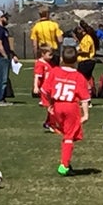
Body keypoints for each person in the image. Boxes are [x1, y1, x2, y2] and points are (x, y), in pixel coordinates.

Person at [40, 45, 90, 176]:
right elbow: (85, 98)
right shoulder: (79, 77)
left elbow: (44, 90)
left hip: (58, 106)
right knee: (69, 136)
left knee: (66, 134)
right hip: (71, 107)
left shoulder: (55, 72)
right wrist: (85, 114)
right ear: (76, 61)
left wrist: (49, 105)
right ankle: (64, 165)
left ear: (61, 59)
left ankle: (66, 162)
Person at [0, 9, 18, 106]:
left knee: (5, 79)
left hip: (5, 57)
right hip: (1, 57)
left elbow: (7, 45)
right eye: (5, 17)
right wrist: (4, 55)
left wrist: (13, 55)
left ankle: (2, 98)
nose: (7, 19)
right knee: (2, 79)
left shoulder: (4, 30)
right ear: (0, 18)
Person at [33, 44, 56, 131]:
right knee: (51, 107)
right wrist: (36, 86)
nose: (51, 57)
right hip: (45, 89)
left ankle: (48, 122)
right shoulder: (40, 64)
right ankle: (51, 124)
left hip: (51, 88)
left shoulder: (49, 63)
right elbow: (37, 76)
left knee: (53, 106)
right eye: (49, 55)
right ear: (43, 54)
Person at [76, 21, 97, 99]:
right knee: (85, 80)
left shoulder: (87, 38)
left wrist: (76, 52)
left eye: (79, 29)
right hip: (83, 61)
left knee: (82, 80)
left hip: (86, 61)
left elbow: (86, 51)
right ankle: (86, 95)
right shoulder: (83, 38)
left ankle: (87, 96)